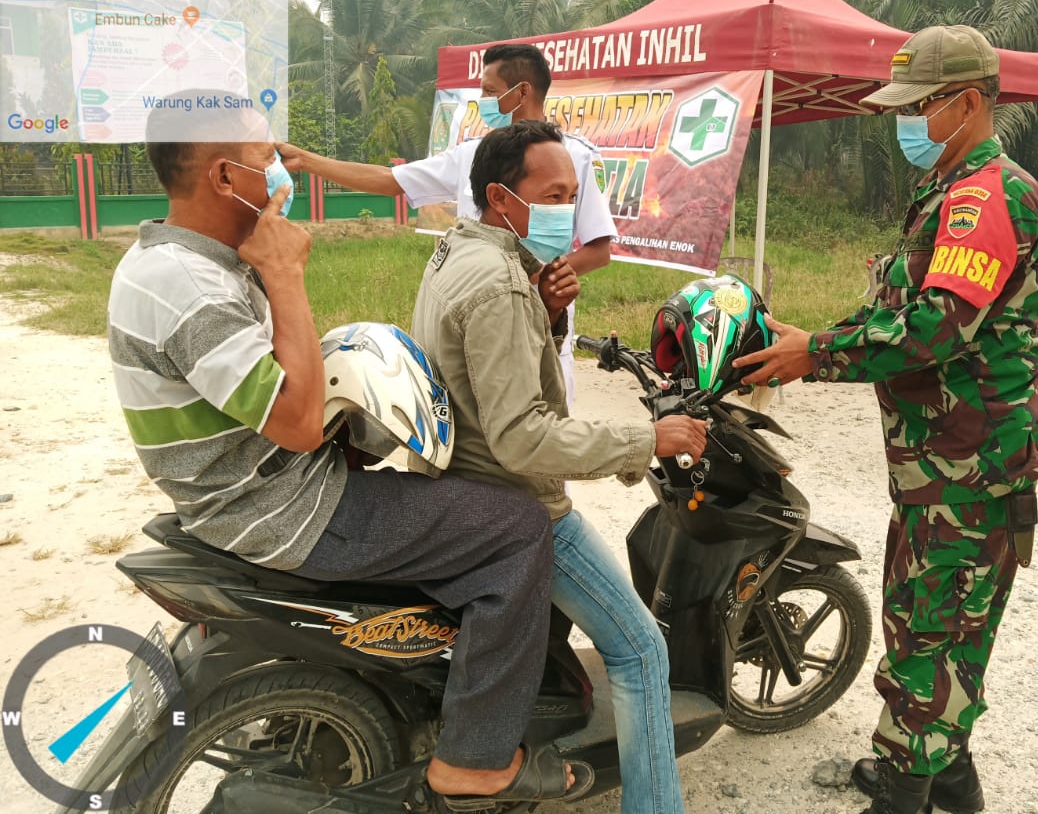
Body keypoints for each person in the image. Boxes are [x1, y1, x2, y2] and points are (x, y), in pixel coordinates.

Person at [107, 93, 588, 810]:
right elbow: (298, 423)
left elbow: (276, 391)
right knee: (515, 528)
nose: (279, 172)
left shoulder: (185, 263)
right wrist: (287, 274)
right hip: (283, 510)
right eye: (266, 158)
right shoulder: (189, 286)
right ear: (220, 177)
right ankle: (474, 760)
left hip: (255, 490)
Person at [734, 25, 1038, 814]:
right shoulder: (946, 191)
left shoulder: (987, 196)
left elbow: (933, 328)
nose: (906, 122)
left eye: (921, 106)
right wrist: (807, 341)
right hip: (941, 461)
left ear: (969, 103)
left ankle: (906, 789)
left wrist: (820, 354)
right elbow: (896, 305)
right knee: (936, 621)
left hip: (969, 468)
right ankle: (948, 774)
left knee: (931, 636)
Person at [410, 119, 710, 814]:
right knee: (640, 654)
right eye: (552, 194)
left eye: (573, 195)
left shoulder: (459, 252)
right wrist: (647, 440)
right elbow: (523, 437)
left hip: (461, 483)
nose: (567, 211)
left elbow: (481, 370)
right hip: (518, 499)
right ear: (500, 197)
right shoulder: (499, 283)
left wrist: (543, 316)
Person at [276, 42, 615, 406]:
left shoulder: (575, 157)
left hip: (543, 321)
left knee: (542, 420)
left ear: (522, 93)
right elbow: (392, 180)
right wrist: (308, 161)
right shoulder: (473, 155)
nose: (481, 101)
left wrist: (541, 279)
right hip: (475, 322)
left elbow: (599, 248)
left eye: (489, 91)